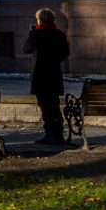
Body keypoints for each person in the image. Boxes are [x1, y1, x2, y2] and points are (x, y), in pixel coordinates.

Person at [25, 9, 71, 145]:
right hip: (54, 74)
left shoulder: (36, 34)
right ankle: (57, 133)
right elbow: (64, 54)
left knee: (45, 105)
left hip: (40, 75)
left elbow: (26, 49)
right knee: (54, 104)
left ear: (39, 20)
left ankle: (50, 134)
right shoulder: (59, 35)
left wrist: (31, 35)